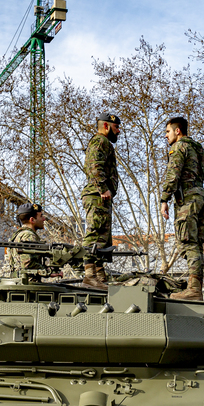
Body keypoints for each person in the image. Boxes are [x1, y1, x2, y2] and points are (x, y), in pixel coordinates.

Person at [159, 116, 204, 301]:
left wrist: (165, 199)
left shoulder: (179, 147)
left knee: (188, 244)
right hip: (201, 200)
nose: (166, 136)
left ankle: (193, 290)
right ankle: (196, 288)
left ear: (177, 131)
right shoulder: (200, 150)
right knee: (196, 245)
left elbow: (173, 174)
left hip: (187, 200)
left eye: (168, 132)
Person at [81, 113, 121, 289]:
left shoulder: (103, 143)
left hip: (100, 196)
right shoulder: (100, 141)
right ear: (106, 126)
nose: (118, 131)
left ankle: (99, 275)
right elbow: (94, 164)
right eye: (116, 127)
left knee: (102, 238)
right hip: (97, 195)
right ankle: (90, 276)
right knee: (95, 234)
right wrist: (103, 187)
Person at [8, 202, 47, 275]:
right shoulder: (28, 235)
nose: (44, 219)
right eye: (41, 216)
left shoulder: (19, 234)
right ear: (32, 220)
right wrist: (47, 271)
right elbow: (27, 264)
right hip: (29, 283)